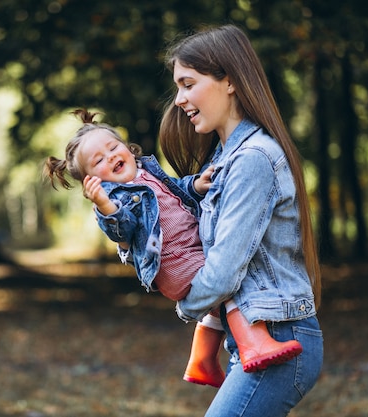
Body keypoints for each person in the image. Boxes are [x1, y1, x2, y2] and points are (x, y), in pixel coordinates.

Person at [44, 108, 303, 389]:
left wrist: (196, 185)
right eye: (99, 161)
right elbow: (123, 227)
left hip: (186, 253)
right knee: (229, 281)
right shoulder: (115, 197)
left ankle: (201, 361)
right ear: (94, 181)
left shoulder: (146, 173)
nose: (111, 157)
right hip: (174, 263)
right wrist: (105, 205)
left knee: (215, 306)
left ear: (128, 148)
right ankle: (253, 343)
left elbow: (174, 193)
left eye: (113, 147)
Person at [158, 24, 323, 416]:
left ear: (228, 81)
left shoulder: (252, 159)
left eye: (188, 84)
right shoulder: (221, 162)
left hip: (281, 339)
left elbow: (223, 272)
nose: (179, 99)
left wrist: (186, 303)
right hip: (253, 343)